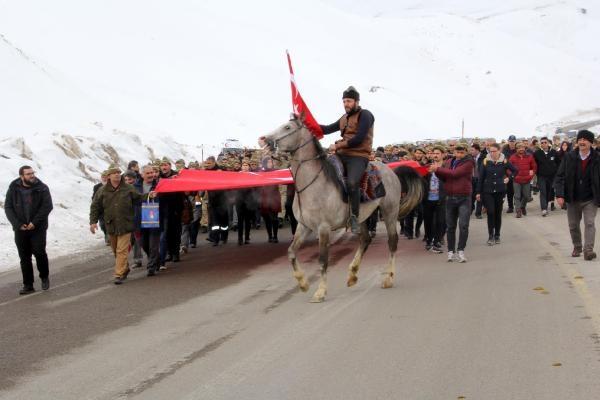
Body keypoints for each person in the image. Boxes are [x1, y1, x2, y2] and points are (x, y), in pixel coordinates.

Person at [320, 86, 375, 234]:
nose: (346, 104)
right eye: (344, 101)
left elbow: (358, 139)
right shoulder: (343, 118)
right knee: (322, 172)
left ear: (356, 101)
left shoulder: (366, 115)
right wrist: (307, 123)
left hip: (358, 155)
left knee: (352, 183)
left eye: (349, 101)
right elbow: (325, 129)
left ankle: (354, 217)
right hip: (341, 154)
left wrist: (337, 145)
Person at [89, 164, 148, 284]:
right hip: (111, 225)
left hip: (126, 224)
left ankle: (118, 274)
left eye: (118, 173)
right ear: (109, 176)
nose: (117, 174)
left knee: (122, 250)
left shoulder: (127, 188)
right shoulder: (102, 191)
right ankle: (124, 268)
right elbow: (95, 206)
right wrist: (93, 222)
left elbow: (139, 198)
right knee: (116, 250)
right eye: (114, 173)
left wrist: (149, 195)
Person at [5, 166, 53, 295]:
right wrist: (17, 224)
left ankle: (44, 277)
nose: (32, 176)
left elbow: (47, 206)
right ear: (22, 176)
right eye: (28, 174)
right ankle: (28, 285)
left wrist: (34, 222)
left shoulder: (42, 188)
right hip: (20, 228)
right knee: (24, 257)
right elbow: (8, 207)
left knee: (39, 252)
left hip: (38, 227)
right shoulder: (13, 188)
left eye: (33, 173)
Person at [555, 130, 600, 260]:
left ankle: (588, 250)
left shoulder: (597, 158)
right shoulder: (569, 157)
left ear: (591, 143)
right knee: (573, 225)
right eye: (580, 139)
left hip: (590, 198)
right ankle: (577, 246)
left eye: (585, 139)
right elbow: (560, 176)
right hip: (572, 197)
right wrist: (559, 195)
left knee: (590, 223)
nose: (581, 141)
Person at [430, 144, 475, 263]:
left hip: (464, 198)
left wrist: (438, 169)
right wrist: (437, 171)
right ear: (454, 152)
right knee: (450, 226)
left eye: (462, 152)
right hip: (450, 197)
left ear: (466, 152)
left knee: (463, 225)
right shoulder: (449, 161)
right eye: (457, 152)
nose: (459, 154)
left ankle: (461, 250)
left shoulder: (469, 162)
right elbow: (444, 177)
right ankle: (451, 251)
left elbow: (455, 174)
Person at [476, 143, 518, 245]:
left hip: (500, 190)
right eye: (491, 151)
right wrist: (478, 192)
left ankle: (497, 235)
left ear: (499, 151)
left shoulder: (504, 161)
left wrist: (509, 178)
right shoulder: (486, 161)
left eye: (495, 151)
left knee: (498, 213)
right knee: (490, 212)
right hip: (488, 191)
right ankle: (490, 235)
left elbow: (515, 170)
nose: (493, 153)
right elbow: (480, 178)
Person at [133, 165, 161, 276]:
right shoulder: (135, 187)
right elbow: (132, 200)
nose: (151, 175)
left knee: (153, 244)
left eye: (152, 172)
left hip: (155, 219)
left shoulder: (159, 185)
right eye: (148, 173)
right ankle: (156, 259)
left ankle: (151, 267)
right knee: (144, 244)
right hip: (140, 219)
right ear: (142, 175)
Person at [423, 146, 447, 253]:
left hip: (442, 197)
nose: (435, 155)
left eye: (438, 153)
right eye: (434, 153)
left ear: (443, 154)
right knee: (428, 221)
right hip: (428, 198)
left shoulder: (446, 167)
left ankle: (437, 240)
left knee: (441, 221)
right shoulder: (427, 167)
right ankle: (429, 240)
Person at [509, 143, 537, 218]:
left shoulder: (529, 156)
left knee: (527, 196)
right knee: (517, 196)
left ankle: (522, 206)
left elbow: (534, 167)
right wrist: (513, 176)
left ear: (524, 148)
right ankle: (518, 211)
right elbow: (508, 168)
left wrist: (531, 175)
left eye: (522, 147)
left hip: (527, 180)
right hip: (516, 180)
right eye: (519, 148)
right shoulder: (512, 157)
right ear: (516, 149)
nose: (521, 149)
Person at [534, 137, 560, 216]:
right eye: (542, 143)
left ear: (548, 143)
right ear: (540, 144)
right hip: (541, 176)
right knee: (543, 192)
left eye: (545, 142)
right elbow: (534, 164)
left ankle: (547, 204)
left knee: (549, 191)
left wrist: (557, 173)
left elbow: (558, 163)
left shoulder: (554, 152)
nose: (543, 144)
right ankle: (544, 209)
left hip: (551, 176)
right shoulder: (537, 153)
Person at [236, 162, 259, 245]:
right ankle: (240, 238)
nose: (245, 167)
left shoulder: (252, 175)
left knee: (247, 220)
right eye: (244, 165)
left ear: (249, 167)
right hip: (239, 201)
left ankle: (247, 237)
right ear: (241, 167)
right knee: (240, 220)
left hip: (249, 201)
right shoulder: (237, 176)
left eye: (247, 165)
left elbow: (256, 187)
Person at [260, 158, 282, 243]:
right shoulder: (261, 173)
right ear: (265, 163)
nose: (270, 163)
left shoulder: (276, 171)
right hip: (264, 197)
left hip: (274, 197)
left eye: (271, 162)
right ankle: (270, 236)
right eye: (268, 162)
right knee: (266, 218)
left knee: (274, 218)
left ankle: (275, 236)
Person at [92, 171, 110, 245]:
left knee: (110, 223)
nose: (104, 178)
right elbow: (94, 197)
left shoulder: (112, 185)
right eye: (103, 177)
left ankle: (109, 237)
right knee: (102, 224)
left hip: (110, 208)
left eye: (105, 177)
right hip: (101, 209)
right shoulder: (97, 187)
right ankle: (106, 234)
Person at [502, 135, 518, 212]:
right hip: (508, 172)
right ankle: (510, 206)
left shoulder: (518, 149)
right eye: (510, 141)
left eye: (513, 141)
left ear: (515, 141)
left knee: (518, 190)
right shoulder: (504, 150)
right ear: (508, 141)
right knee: (510, 191)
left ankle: (518, 204)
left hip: (518, 171)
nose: (512, 142)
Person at [470, 143, 483, 218]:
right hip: (472, 178)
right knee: (471, 195)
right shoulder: (470, 158)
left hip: (480, 179)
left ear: (477, 150)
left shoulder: (483, 157)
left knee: (479, 195)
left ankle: (478, 213)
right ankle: (471, 209)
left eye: (472, 150)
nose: (471, 151)